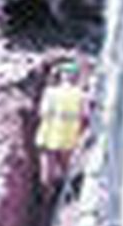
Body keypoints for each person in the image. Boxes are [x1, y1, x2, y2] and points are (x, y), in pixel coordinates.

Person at [36, 59, 88, 190]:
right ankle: (65, 191)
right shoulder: (80, 95)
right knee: (66, 169)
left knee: (47, 173)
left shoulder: (50, 92)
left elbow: (42, 113)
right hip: (68, 139)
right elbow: (85, 117)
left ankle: (46, 198)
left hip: (47, 136)